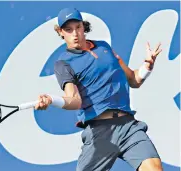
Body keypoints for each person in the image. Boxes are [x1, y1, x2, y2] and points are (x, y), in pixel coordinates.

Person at [35, 7, 163, 171]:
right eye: (68, 30)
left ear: (83, 26)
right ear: (60, 32)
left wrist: (147, 66)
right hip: (99, 131)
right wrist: (52, 100)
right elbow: (74, 100)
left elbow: (133, 79)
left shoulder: (104, 47)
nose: (75, 34)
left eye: (78, 27)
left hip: (128, 126)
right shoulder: (63, 63)